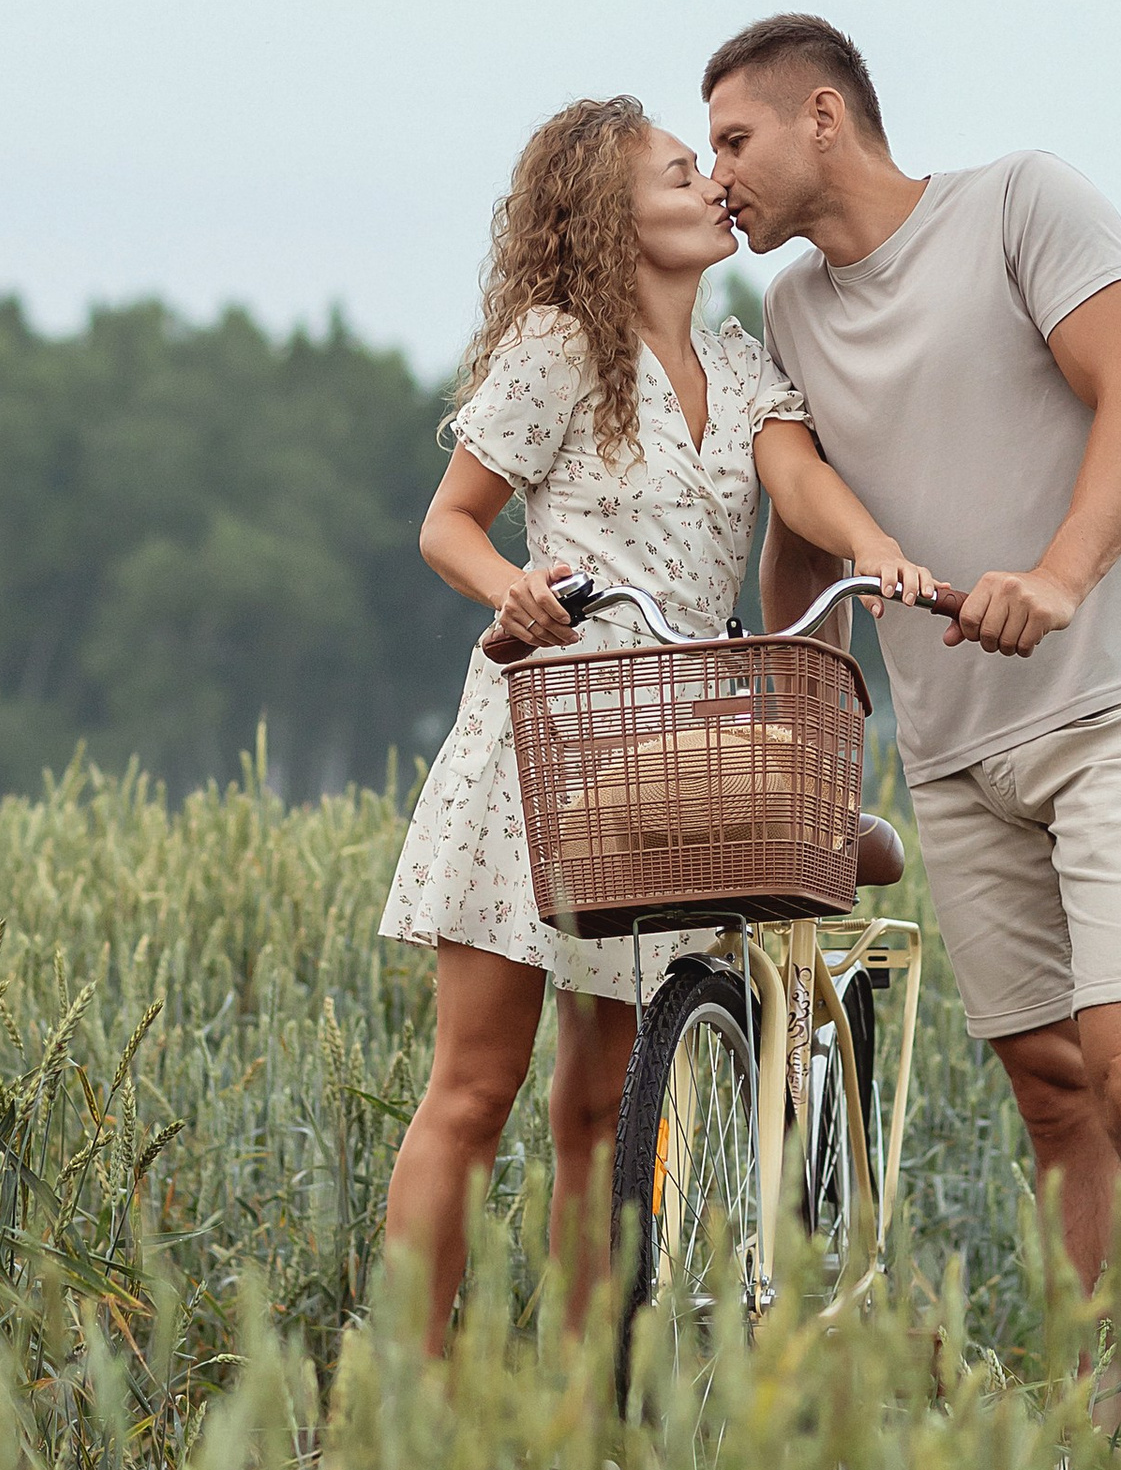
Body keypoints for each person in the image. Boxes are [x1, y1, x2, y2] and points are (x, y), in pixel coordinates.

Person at [702, 11, 1121, 1380]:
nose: (719, 176)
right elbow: (808, 529)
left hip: (1111, 708)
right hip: (953, 755)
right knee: (1055, 1097)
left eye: (733, 138)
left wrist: (1059, 578)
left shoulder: (1022, 204)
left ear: (822, 114)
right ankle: (1109, 1422)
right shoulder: (791, 311)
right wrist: (793, 709)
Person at [379, 92, 939, 1351]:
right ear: (608, 211)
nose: (712, 188)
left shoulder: (738, 363)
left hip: (668, 744)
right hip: (550, 729)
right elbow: (447, 522)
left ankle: (596, 1405)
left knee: (605, 1103)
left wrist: (874, 548)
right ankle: (399, 1405)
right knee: (474, 1089)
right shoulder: (558, 348)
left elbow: (796, 478)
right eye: (683, 172)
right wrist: (510, 590)